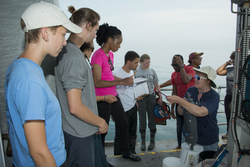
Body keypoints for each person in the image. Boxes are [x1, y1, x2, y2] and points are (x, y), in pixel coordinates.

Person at [5, 2, 82, 166]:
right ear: (45, 33)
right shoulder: (30, 80)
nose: (64, 42)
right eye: (63, 34)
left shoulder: (17, 66)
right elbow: (39, 153)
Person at [55, 6, 109, 167]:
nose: (95, 35)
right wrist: (100, 122)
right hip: (78, 133)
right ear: (87, 25)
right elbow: (75, 106)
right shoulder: (73, 58)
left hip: (74, 128)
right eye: (95, 29)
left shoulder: (66, 51)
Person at [91, 23, 141, 162]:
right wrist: (121, 82)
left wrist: (124, 79)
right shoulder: (97, 55)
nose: (119, 46)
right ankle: (101, 160)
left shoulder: (110, 55)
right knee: (103, 131)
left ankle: (126, 152)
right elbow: (97, 81)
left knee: (123, 124)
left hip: (113, 95)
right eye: (118, 42)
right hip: (103, 98)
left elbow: (109, 76)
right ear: (109, 39)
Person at [166, 66, 220, 152]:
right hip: (188, 136)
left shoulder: (214, 96)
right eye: (195, 76)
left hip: (207, 139)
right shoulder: (191, 90)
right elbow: (180, 112)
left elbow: (201, 112)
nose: (195, 79)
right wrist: (181, 104)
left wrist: (178, 100)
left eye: (198, 77)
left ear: (208, 80)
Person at [113, 51, 142, 155]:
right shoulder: (116, 74)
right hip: (122, 109)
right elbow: (112, 92)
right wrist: (113, 112)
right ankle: (118, 155)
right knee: (120, 134)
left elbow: (131, 89)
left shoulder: (131, 73)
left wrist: (136, 99)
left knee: (132, 132)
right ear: (128, 62)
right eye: (136, 62)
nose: (137, 65)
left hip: (133, 106)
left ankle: (131, 152)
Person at [134, 54, 162, 151]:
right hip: (141, 98)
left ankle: (152, 141)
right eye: (146, 63)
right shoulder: (135, 71)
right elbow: (132, 86)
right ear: (141, 63)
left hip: (151, 97)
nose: (148, 64)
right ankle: (142, 142)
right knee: (142, 119)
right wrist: (135, 100)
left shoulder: (152, 71)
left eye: (149, 62)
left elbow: (156, 85)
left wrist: (160, 97)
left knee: (152, 119)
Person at [170, 54, 195, 150]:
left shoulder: (189, 69)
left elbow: (186, 80)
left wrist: (181, 67)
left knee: (189, 125)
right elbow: (174, 91)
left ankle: (190, 144)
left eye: (176, 65)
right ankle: (180, 145)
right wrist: (172, 108)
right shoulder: (173, 74)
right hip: (178, 105)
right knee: (179, 126)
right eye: (172, 65)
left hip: (190, 104)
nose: (174, 67)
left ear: (182, 63)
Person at [216, 51, 235, 139]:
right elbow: (219, 72)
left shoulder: (244, 69)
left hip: (239, 97)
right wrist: (227, 63)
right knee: (228, 115)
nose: (234, 61)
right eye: (233, 59)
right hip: (229, 95)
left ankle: (235, 133)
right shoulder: (230, 70)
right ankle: (229, 132)